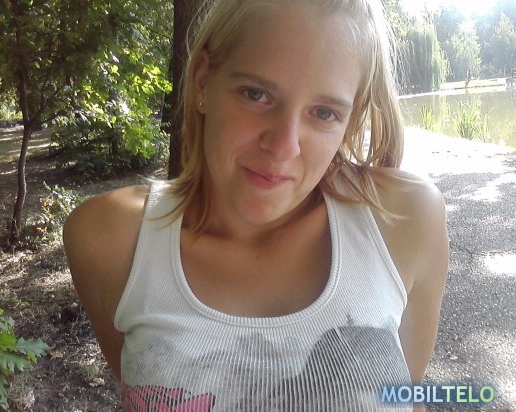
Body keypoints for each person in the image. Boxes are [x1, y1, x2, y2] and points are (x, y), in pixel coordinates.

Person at [64, 0, 448, 410]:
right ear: (202, 81)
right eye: (256, 94)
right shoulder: (110, 241)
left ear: (350, 122)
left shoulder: (405, 221)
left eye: (324, 113)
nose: (283, 147)